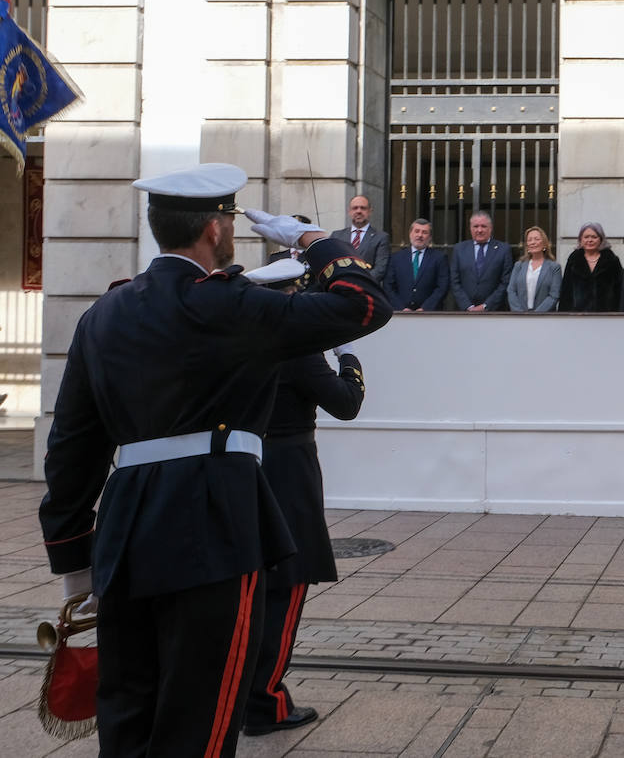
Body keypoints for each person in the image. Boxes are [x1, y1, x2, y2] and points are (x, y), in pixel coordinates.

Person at [37, 164, 391, 756]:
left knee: (128, 713)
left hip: (124, 528)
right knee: (200, 716)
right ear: (214, 230)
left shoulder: (104, 314)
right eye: (229, 220)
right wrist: (309, 239)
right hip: (215, 521)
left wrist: (75, 560)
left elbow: (72, 446)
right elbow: (366, 303)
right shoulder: (234, 305)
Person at [241, 260, 365, 737]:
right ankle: (264, 702)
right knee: (287, 586)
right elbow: (346, 404)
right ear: (292, 295)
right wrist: (348, 359)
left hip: (243, 465)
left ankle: (238, 693)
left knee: (249, 587)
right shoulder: (296, 346)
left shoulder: (239, 339)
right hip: (288, 469)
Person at [450, 210, 514, 311]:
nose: (479, 230)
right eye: (475, 226)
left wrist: (485, 306)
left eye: (483, 226)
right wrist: (468, 306)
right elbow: (454, 281)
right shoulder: (459, 249)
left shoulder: (503, 249)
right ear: (470, 228)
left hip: (494, 311)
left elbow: (506, 282)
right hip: (464, 311)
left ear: (490, 228)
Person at [384, 217, 450, 311]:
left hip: (429, 314)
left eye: (424, 232)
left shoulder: (439, 258)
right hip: (401, 313)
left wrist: (425, 308)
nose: (420, 235)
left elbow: (442, 287)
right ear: (410, 234)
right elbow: (388, 286)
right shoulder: (396, 258)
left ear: (430, 237)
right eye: (417, 231)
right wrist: (401, 308)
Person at [559, 222, 622, 312]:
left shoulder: (612, 261)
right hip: (578, 315)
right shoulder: (573, 260)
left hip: (606, 315)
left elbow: (620, 290)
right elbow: (566, 291)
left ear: (601, 239)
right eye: (586, 237)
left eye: (594, 237)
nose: (590, 240)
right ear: (580, 239)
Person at [329, 195, 390, 282]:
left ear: (370, 211)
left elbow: (380, 269)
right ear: (349, 211)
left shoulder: (381, 237)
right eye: (355, 208)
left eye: (363, 208)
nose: (359, 211)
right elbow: (329, 264)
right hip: (339, 286)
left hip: (366, 287)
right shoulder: (337, 236)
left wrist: (359, 284)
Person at [508, 226, 561, 312]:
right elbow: (511, 291)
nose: (533, 242)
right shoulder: (519, 266)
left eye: (537, 239)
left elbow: (554, 295)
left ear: (544, 243)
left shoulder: (554, 267)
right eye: (529, 240)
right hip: (520, 316)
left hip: (544, 316)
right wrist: (520, 313)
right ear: (527, 245)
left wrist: (536, 315)